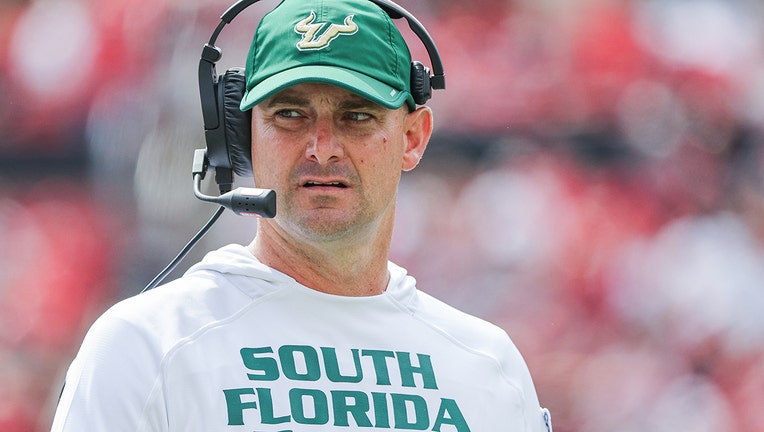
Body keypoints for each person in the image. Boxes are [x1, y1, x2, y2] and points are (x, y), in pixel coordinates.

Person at [51, 0, 552, 430]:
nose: (322, 147)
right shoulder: (145, 348)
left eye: (357, 116)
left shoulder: (489, 368)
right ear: (242, 135)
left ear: (413, 138)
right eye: (289, 114)